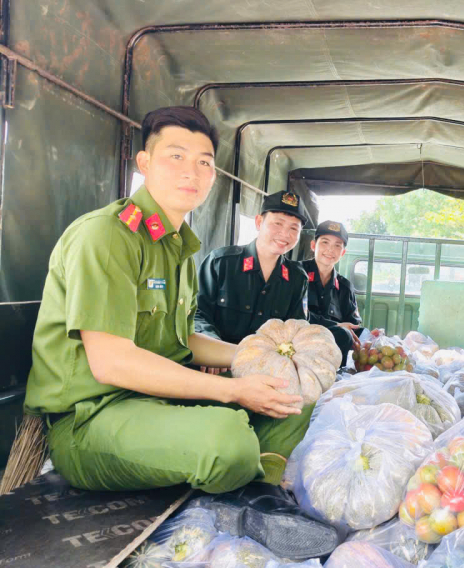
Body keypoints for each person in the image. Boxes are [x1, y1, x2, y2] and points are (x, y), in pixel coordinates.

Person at [24, 107, 311, 500]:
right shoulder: (108, 236)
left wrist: (254, 357)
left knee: (295, 394)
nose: (191, 172)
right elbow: (112, 361)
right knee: (226, 440)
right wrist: (229, 391)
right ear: (144, 163)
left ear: (214, 175)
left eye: (204, 162)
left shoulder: (179, 248)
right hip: (92, 419)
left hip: (158, 402)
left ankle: (257, 485)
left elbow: (181, 340)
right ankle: (248, 470)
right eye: (175, 156)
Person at [195, 190, 310, 352]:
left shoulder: (297, 279)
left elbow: (297, 329)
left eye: (294, 228)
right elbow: (196, 312)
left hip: (267, 365)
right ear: (258, 222)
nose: (285, 234)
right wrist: (213, 347)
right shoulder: (221, 262)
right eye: (278, 223)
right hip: (217, 362)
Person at [301, 220, 363, 366]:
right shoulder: (296, 275)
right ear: (313, 245)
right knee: (342, 333)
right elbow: (295, 315)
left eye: (337, 245)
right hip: (299, 345)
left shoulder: (345, 287)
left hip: (333, 355)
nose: (330, 250)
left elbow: (352, 326)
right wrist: (336, 325)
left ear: (343, 252)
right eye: (325, 242)